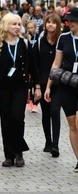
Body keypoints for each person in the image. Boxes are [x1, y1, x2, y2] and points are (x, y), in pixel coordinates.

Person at [0, 13, 41, 168]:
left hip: (20, 87)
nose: (17, 27)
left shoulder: (24, 43)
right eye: (14, 24)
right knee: (6, 121)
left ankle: (19, 151)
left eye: (18, 24)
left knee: (17, 118)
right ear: (6, 26)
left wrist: (37, 86)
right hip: (3, 88)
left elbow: (34, 68)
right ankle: (8, 155)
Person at [45, 7, 78, 172]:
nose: (69, 23)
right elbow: (56, 64)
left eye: (73, 20)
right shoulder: (64, 38)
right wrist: (48, 85)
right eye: (69, 20)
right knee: (72, 125)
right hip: (67, 85)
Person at [34, 13, 62, 157]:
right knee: (46, 113)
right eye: (48, 22)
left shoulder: (61, 42)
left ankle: (56, 144)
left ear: (58, 25)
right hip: (43, 82)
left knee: (55, 112)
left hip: (58, 83)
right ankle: (48, 141)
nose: (50, 24)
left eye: (53, 22)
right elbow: (35, 65)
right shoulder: (39, 42)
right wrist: (37, 86)